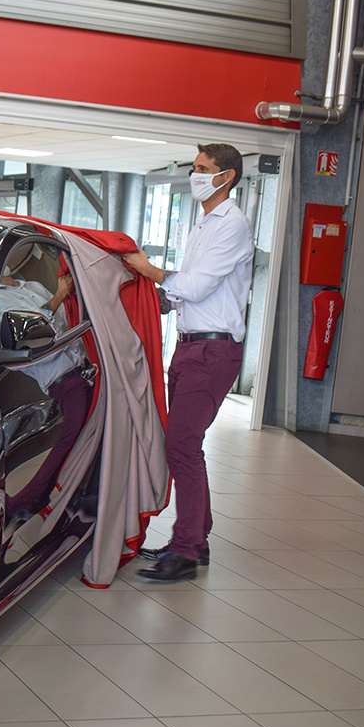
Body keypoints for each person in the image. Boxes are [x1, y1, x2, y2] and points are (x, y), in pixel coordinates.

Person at [123, 143, 253, 581]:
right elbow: (186, 290)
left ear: (226, 176)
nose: (195, 175)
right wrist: (151, 296)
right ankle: (196, 540)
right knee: (183, 444)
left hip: (212, 352)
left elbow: (195, 286)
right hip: (189, 345)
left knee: (180, 444)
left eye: (203, 169)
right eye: (195, 168)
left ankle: (185, 550)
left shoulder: (232, 225)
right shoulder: (201, 222)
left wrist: (148, 270)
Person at [0, 268, 93, 528]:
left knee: (86, 438)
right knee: (71, 436)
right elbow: (36, 340)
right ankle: (31, 499)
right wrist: (60, 295)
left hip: (87, 368)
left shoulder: (34, 286)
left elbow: (65, 321)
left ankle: (73, 500)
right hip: (64, 380)